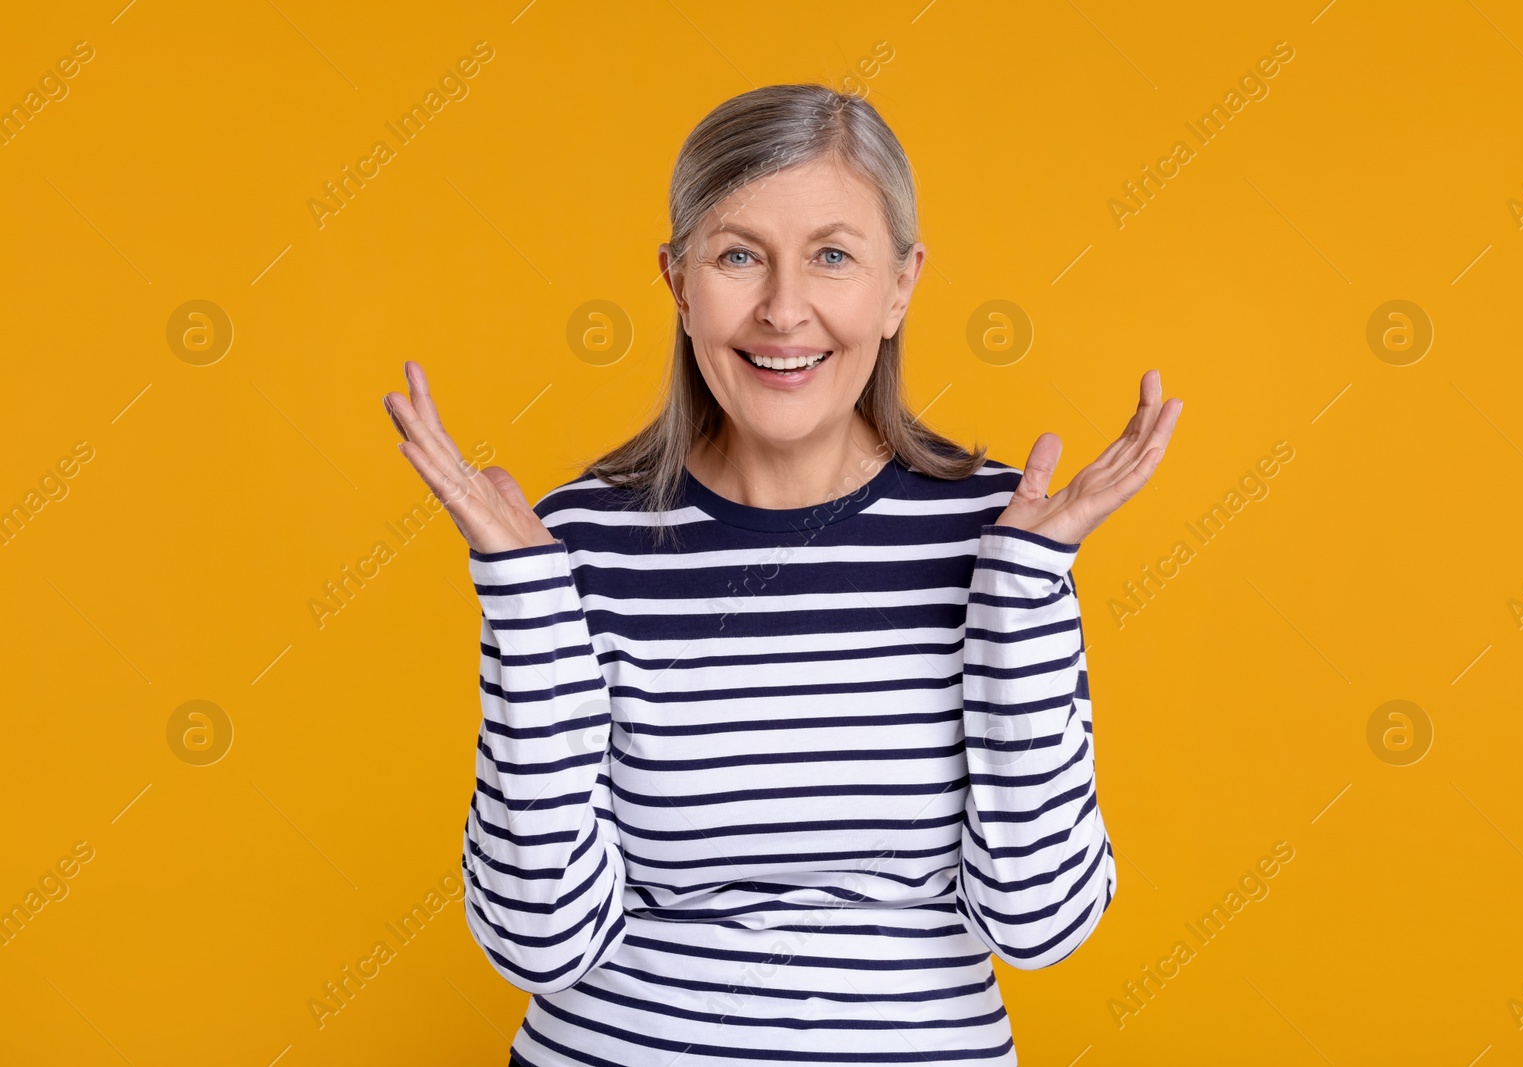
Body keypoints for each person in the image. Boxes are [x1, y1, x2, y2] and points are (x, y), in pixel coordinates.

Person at [382, 83, 1180, 1067]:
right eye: (736, 256)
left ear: (900, 286)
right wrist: (528, 608)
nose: (783, 310)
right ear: (677, 283)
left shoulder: (1004, 527)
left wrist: (1020, 590)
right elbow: (536, 940)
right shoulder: (570, 543)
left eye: (832, 256)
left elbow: (1038, 922)